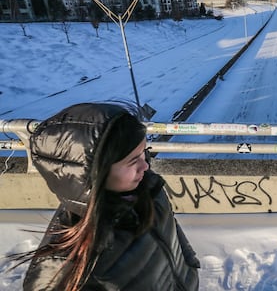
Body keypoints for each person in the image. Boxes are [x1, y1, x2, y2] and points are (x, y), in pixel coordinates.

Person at [20, 102, 200, 290]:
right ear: (97, 173)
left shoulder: (149, 188)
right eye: (133, 161)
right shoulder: (63, 269)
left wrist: (189, 264)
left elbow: (172, 233)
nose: (146, 166)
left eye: (144, 153)